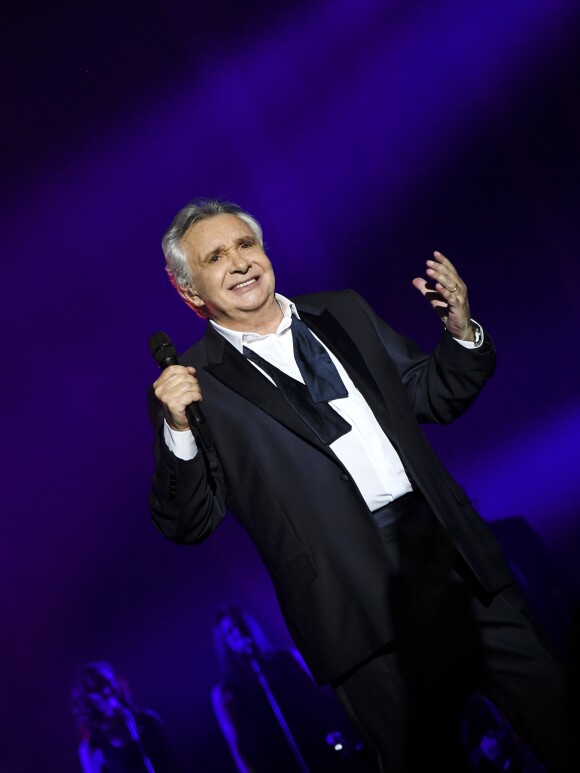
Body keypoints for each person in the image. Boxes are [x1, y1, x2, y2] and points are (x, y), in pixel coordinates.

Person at [148, 198, 576, 771]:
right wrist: (178, 428)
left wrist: (460, 331)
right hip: (347, 599)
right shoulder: (194, 386)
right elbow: (187, 520)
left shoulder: (341, 312)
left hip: (450, 558)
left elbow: (431, 394)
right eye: (216, 257)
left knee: (557, 714)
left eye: (246, 245)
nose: (241, 263)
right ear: (189, 291)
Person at [210, 605, 371, 772]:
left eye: (240, 625)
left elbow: (324, 699)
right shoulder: (226, 691)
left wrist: (341, 733)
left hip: (320, 749)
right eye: (230, 631)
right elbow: (237, 746)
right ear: (224, 642)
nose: (238, 633)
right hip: (276, 763)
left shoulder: (288, 659)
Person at [71, 661, 186, 772]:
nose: (107, 690)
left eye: (109, 682)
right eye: (99, 686)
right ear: (88, 698)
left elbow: (173, 764)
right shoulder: (93, 747)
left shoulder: (148, 720)